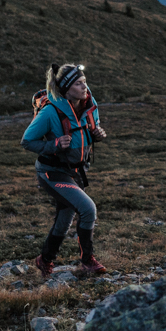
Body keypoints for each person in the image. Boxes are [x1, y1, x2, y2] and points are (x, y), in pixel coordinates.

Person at [22, 62, 109, 276]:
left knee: (65, 219)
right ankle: (87, 261)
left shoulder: (89, 105)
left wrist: (96, 134)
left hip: (76, 171)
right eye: (78, 84)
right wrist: (54, 144)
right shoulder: (50, 112)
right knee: (88, 209)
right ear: (67, 89)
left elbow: (87, 132)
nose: (84, 87)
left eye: (84, 82)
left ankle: (45, 260)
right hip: (52, 172)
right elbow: (27, 141)